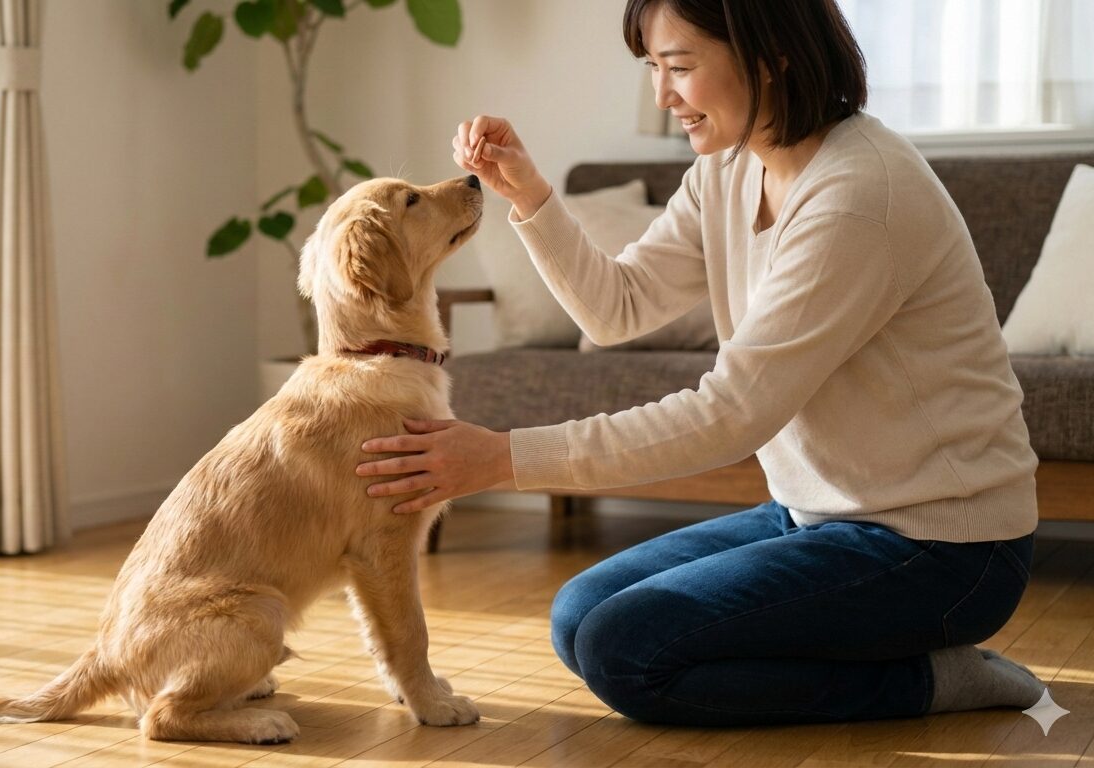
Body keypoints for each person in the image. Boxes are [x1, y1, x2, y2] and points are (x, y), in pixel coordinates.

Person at [352, 0, 1050, 728]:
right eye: (654, 68)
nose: (663, 96)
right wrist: (528, 195)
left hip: (945, 549)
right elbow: (616, 308)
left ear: (770, 54)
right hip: (817, 516)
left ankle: (929, 681)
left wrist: (502, 459)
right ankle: (874, 652)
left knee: (628, 650)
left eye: (680, 67)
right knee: (579, 617)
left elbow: (730, 414)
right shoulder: (728, 168)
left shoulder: (857, 195)